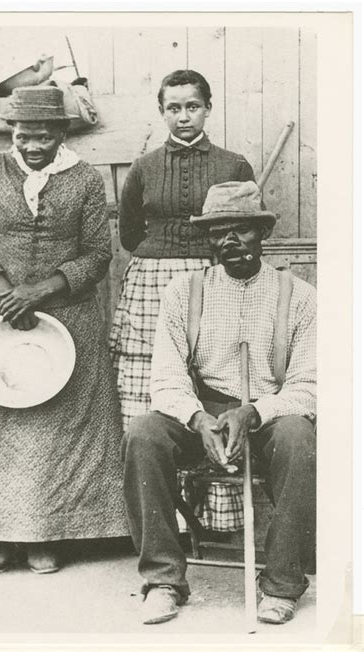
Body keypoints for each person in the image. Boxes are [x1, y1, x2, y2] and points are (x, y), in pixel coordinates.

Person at [0, 86, 128, 575]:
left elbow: (97, 255)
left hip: (66, 315)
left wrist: (38, 292)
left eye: (42, 136)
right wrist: (5, 292)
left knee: (53, 429)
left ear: (61, 132)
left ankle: (46, 537)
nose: (32, 146)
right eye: (23, 136)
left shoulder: (83, 178)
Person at [122, 181, 316, 625]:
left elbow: (309, 385)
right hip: (205, 415)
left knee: (298, 435)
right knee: (143, 432)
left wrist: (254, 412)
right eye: (218, 232)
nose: (229, 241)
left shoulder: (300, 297)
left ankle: (282, 584)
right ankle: (164, 580)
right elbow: (167, 379)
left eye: (241, 230)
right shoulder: (182, 292)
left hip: (267, 415)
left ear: (261, 233)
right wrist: (196, 418)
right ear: (207, 239)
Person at [110, 69, 257, 533]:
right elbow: (131, 232)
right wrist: (164, 259)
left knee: (214, 383)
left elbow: (245, 228)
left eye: (192, 106)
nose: (183, 116)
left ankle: (218, 515)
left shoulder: (233, 165)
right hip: (153, 281)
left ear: (208, 109)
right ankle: (159, 517)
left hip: (216, 279)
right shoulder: (144, 167)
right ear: (162, 112)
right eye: (173, 108)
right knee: (149, 392)